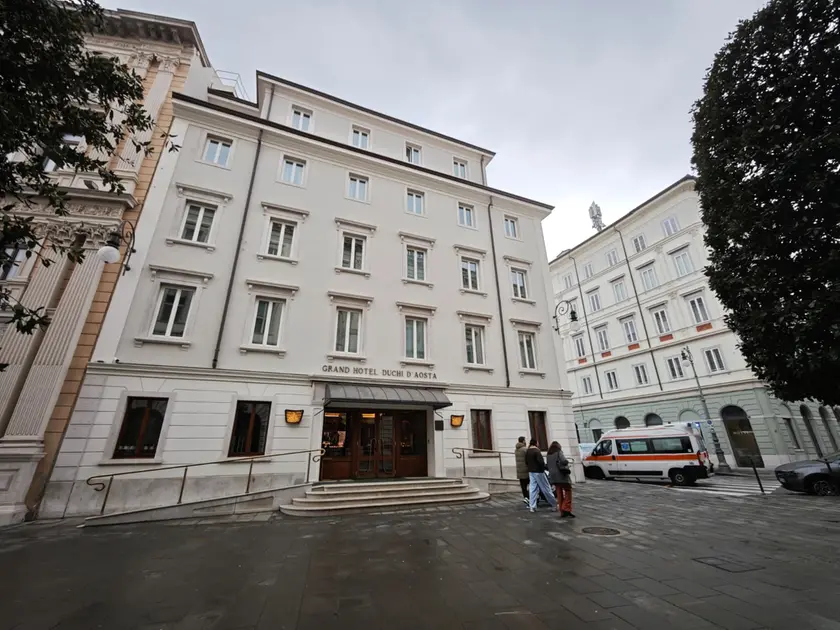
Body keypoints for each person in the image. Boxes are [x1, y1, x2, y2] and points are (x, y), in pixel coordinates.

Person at [525, 439, 557, 513]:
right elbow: (541, 462)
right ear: (536, 443)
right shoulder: (536, 451)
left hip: (531, 471)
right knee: (546, 488)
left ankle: (532, 507)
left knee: (532, 489)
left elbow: (526, 462)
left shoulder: (528, 451)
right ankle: (554, 504)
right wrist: (545, 468)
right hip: (539, 471)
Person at [547, 441, 575, 518]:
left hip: (553, 476)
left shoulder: (548, 454)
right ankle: (566, 508)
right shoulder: (559, 452)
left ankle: (562, 512)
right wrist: (567, 462)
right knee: (568, 490)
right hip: (561, 475)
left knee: (559, 492)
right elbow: (563, 461)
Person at [514, 437, 529, 505]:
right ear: (523, 441)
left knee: (523, 486)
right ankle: (530, 497)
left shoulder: (516, 450)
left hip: (519, 470)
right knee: (532, 484)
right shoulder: (525, 449)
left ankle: (525, 497)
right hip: (526, 470)